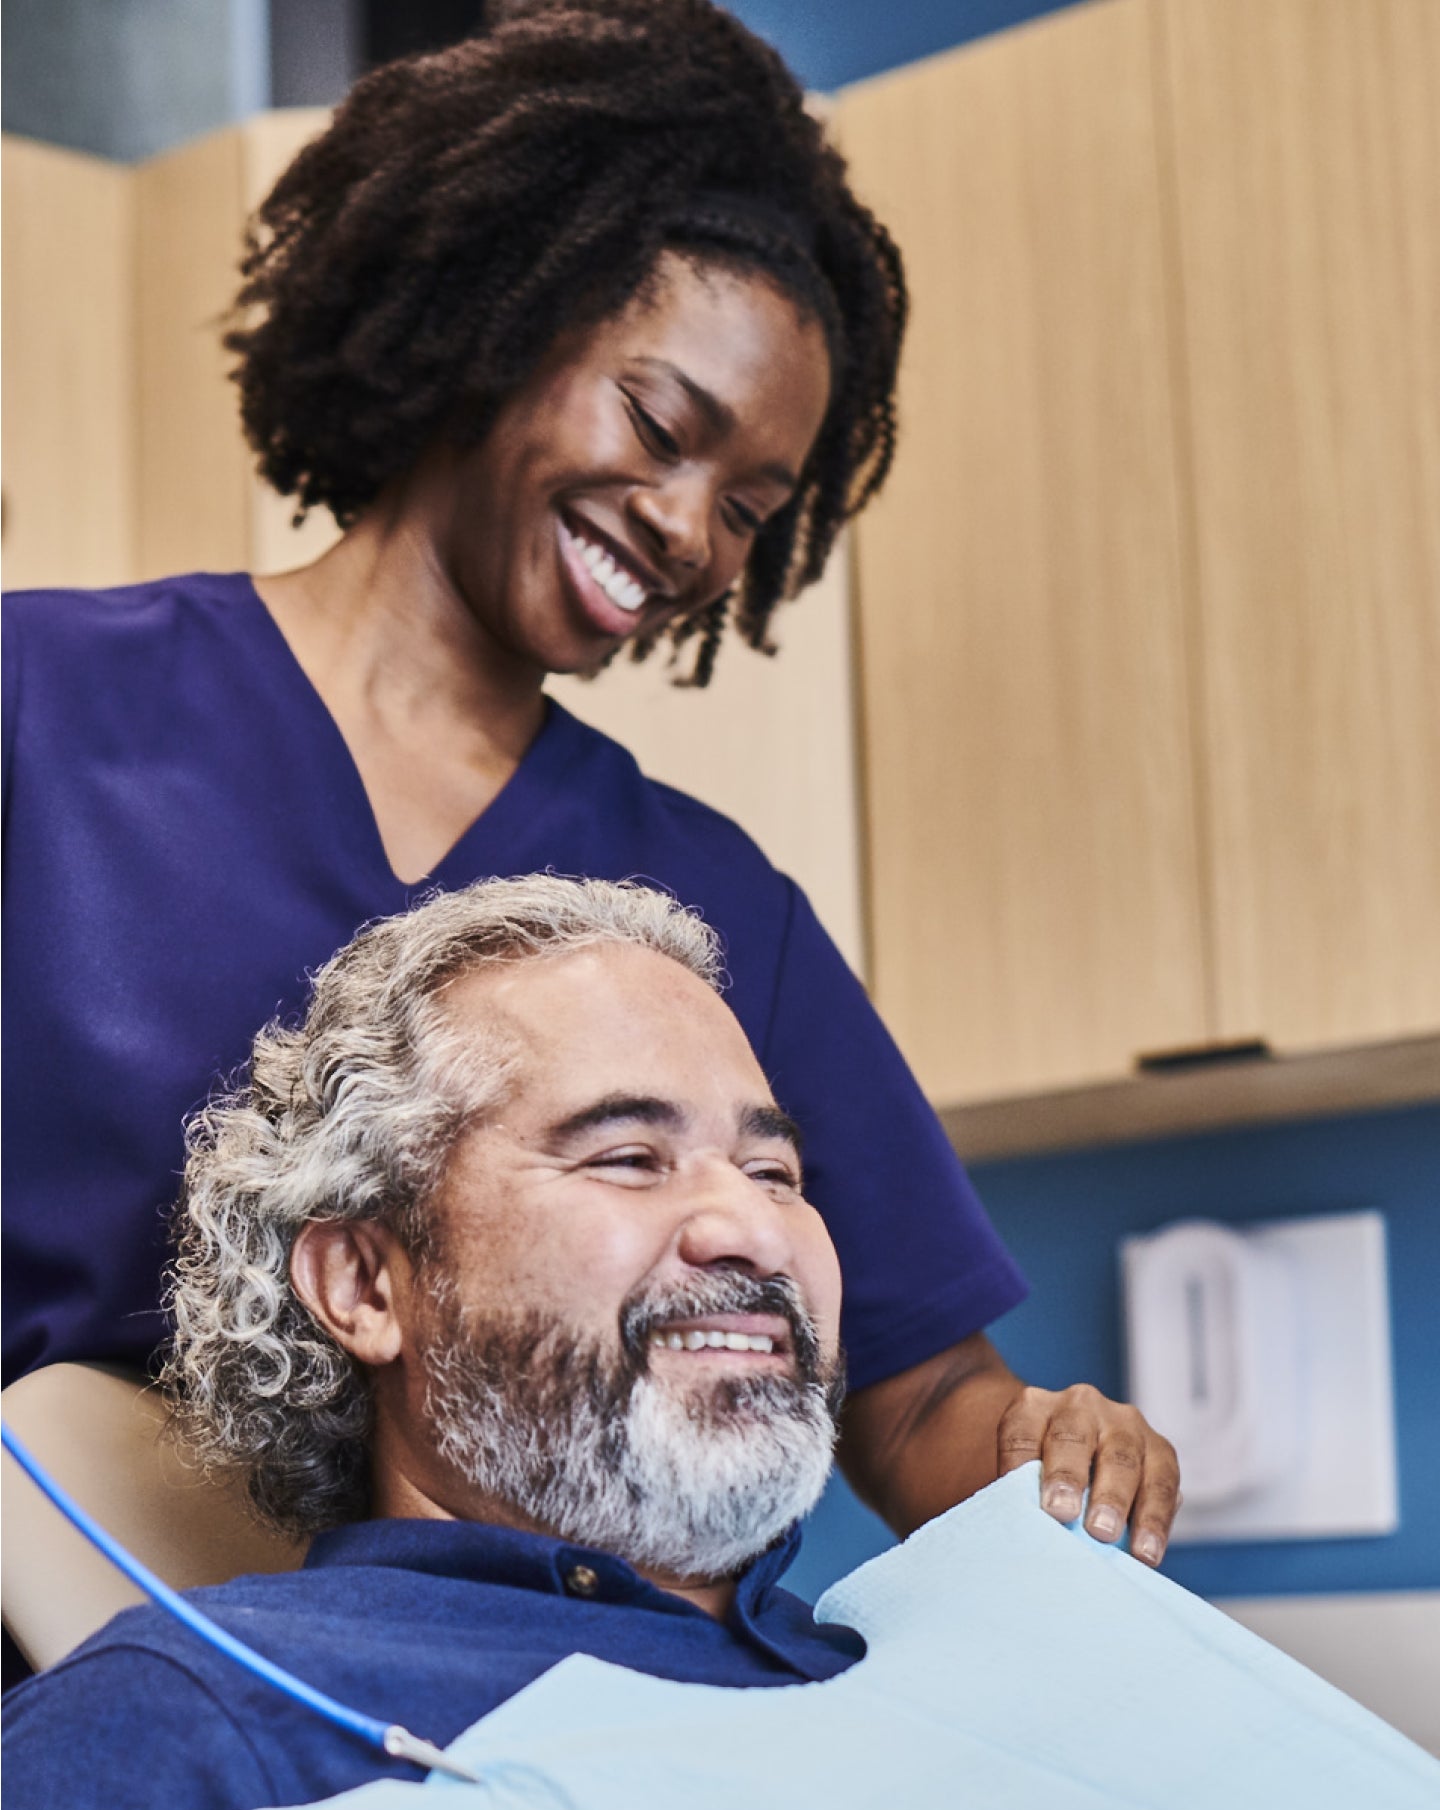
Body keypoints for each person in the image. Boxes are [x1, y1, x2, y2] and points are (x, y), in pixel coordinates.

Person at [1, 0, 1177, 1558]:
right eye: (658, 423)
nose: (692, 530)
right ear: (502, 318)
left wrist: (1052, 1454)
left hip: (528, 1715)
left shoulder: (713, 908)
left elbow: (914, 1402)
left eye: (752, 508)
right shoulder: (46, 705)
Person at [2, 874, 862, 1810]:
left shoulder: (922, 1667)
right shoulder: (175, 1736)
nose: (751, 1227)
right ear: (366, 1284)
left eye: (774, 1171)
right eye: (628, 1158)